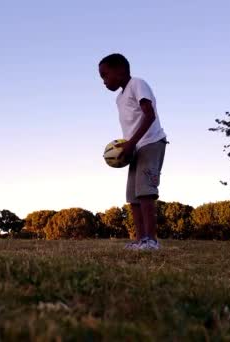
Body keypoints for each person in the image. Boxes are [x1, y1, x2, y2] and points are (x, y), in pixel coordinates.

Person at [98, 53, 168, 250]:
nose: (104, 81)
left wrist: (131, 143)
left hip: (151, 142)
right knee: (133, 197)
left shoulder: (137, 84)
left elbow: (149, 114)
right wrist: (126, 147)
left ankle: (151, 240)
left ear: (120, 70)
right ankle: (140, 239)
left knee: (146, 192)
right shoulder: (119, 98)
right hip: (135, 148)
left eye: (105, 75)